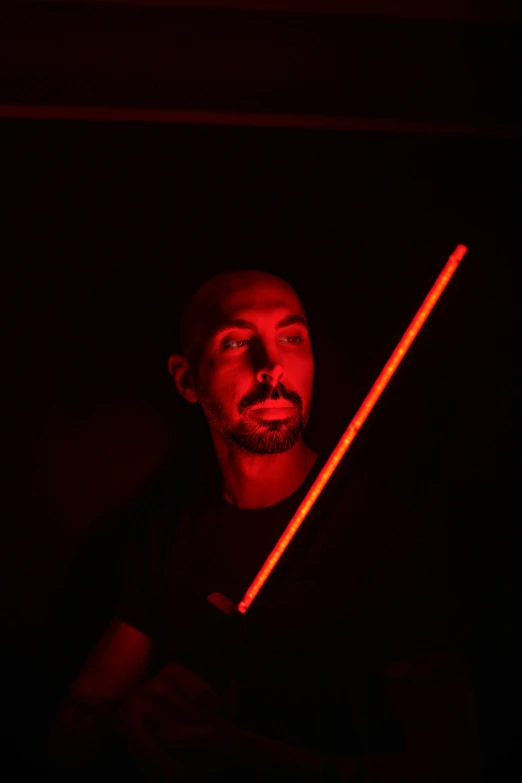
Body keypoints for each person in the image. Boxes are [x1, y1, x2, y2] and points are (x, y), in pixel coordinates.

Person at [46, 270, 482, 782]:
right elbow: (76, 724)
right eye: (236, 342)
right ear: (187, 379)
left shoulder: (390, 537)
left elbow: (457, 767)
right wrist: (129, 721)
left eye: (291, 338)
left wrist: (245, 754)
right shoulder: (167, 537)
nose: (272, 368)